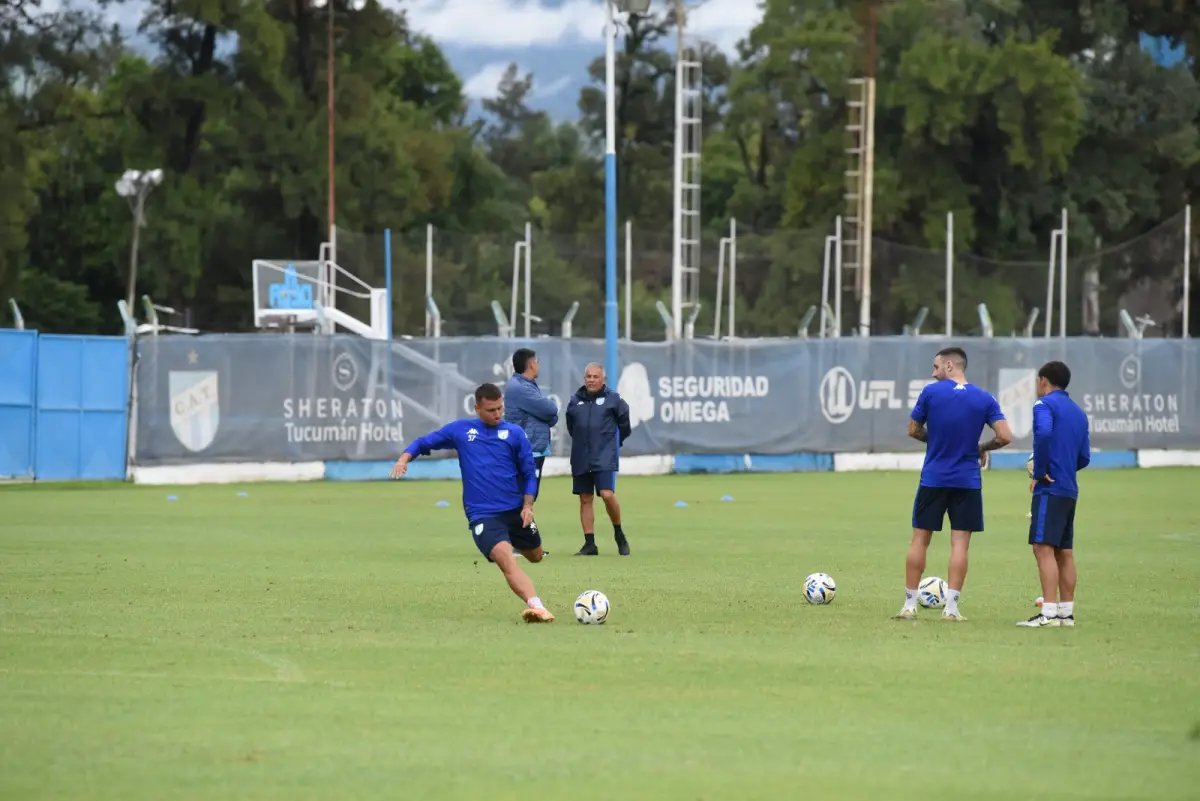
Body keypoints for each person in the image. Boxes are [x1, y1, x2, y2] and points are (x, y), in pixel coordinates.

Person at [390, 383, 554, 623]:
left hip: (516, 512)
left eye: (500, 409)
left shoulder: (514, 434)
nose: (497, 414)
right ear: (477, 408)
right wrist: (404, 458)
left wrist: (528, 506)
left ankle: (533, 585)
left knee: (536, 555)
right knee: (506, 559)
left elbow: (529, 474)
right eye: (491, 410)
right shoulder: (461, 430)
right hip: (483, 515)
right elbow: (425, 442)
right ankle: (538, 607)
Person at [895, 347, 1013, 622]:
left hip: (934, 478)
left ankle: (909, 606)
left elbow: (912, 429)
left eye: (936, 367)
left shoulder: (930, 393)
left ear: (949, 365)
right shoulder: (984, 398)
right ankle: (951, 609)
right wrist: (981, 446)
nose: (933, 372)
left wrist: (935, 440)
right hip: (967, 481)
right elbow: (1005, 436)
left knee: (920, 540)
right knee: (960, 544)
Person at [1017, 360, 1090, 628]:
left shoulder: (1043, 405)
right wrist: (1065, 468)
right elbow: (1084, 456)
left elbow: (1044, 434)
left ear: (1043, 380)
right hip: (1070, 488)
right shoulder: (1079, 413)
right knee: (1065, 551)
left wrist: (1042, 470)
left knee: (1043, 547)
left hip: (1050, 488)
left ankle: (1047, 613)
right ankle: (1065, 614)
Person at [566, 362, 632, 556]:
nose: (592, 380)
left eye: (596, 377)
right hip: (581, 455)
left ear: (603, 379)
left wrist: (612, 444)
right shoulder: (574, 401)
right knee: (585, 498)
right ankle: (590, 543)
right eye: (588, 376)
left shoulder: (614, 400)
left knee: (606, 494)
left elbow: (625, 426)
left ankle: (619, 533)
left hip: (604, 455)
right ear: (584, 378)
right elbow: (572, 427)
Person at [503, 348, 559, 501]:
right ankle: (520, 525)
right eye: (537, 362)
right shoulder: (521, 388)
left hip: (532, 448)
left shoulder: (525, 385)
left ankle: (522, 524)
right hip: (528, 449)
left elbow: (550, 416)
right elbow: (551, 409)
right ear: (532, 365)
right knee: (525, 496)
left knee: (528, 495)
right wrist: (550, 415)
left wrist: (550, 416)